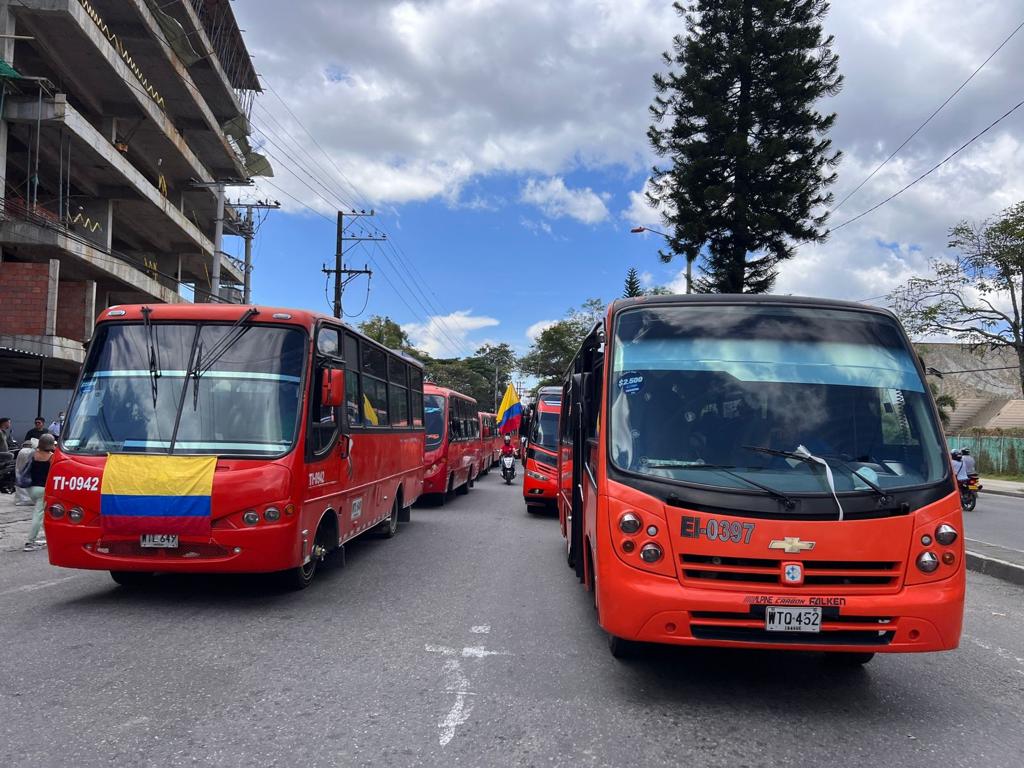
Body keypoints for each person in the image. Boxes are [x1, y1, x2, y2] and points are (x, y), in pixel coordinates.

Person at [23, 433, 55, 551]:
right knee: (38, 514)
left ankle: (46, 537)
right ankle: (30, 542)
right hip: (44, 489)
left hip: (31, 488)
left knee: (44, 513)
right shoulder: (52, 457)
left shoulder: (33, 454)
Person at [14, 438, 37, 506]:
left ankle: (22, 499)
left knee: (20, 477)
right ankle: (27, 499)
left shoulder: (22, 451)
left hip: (20, 468)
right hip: (26, 468)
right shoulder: (32, 451)